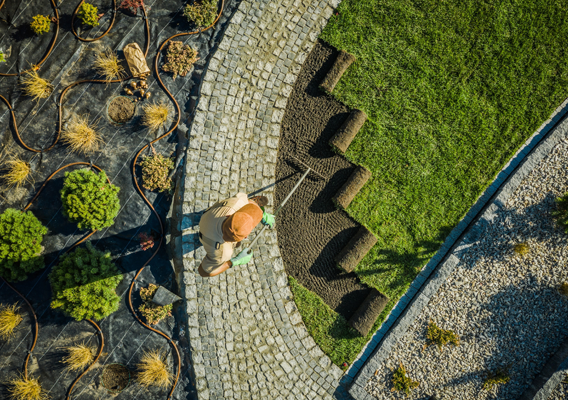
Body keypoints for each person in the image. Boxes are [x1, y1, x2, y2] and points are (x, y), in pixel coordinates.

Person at [197, 193, 275, 277]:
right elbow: (203, 272)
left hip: (208, 217)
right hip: (206, 238)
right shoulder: (224, 253)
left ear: (228, 215)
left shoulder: (237, 202)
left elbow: (246, 201)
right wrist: (233, 262)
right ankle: (236, 242)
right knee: (236, 245)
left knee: (244, 203)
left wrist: (259, 213)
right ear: (245, 237)